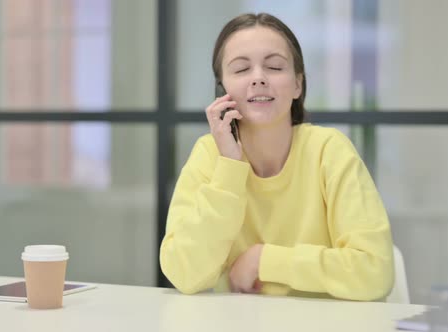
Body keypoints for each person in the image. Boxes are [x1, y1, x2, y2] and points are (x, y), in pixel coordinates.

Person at [159, 13, 394, 301]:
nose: (258, 78)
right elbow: (184, 274)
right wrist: (230, 168)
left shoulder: (329, 150)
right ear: (223, 89)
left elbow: (375, 271)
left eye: (274, 66)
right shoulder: (209, 155)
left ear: (297, 84)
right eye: (242, 69)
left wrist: (264, 261)